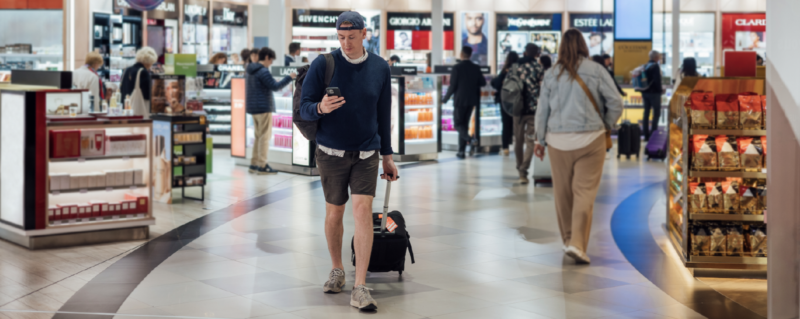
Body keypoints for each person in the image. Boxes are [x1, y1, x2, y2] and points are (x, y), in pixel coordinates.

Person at [299, 11, 398, 312]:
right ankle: (337, 269)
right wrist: (320, 107)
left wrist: (387, 156)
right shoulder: (323, 64)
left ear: (364, 34)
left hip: (367, 152)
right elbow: (304, 109)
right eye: (341, 38)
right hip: (330, 153)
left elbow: (384, 114)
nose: (346, 43)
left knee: (362, 210)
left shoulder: (380, 67)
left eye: (352, 37)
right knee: (334, 213)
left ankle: (360, 286)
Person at [533, 28, 623, 264]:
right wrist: (606, 123)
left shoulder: (551, 74)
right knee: (584, 193)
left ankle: (568, 240)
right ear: (584, 45)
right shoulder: (597, 70)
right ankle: (577, 245)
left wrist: (539, 140)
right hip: (591, 140)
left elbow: (542, 111)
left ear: (561, 47)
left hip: (557, 142)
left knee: (562, 194)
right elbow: (616, 102)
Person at [246, 47, 296, 174]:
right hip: (263, 108)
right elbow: (275, 87)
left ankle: (254, 163)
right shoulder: (263, 71)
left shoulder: (251, 70)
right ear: (267, 57)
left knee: (258, 136)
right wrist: (289, 77)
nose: (272, 63)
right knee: (264, 137)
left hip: (253, 108)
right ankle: (262, 165)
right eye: (272, 60)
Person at [443, 47, 486, 159]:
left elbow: (453, 86)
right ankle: (461, 151)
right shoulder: (476, 68)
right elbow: (482, 82)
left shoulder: (457, 68)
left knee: (458, 124)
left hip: (460, 100)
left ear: (461, 54)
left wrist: (445, 99)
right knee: (464, 125)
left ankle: (470, 139)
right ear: (470, 55)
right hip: (472, 100)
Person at [514, 43, 544, 184]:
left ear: (525, 53)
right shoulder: (538, 68)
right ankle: (523, 171)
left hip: (517, 109)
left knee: (518, 141)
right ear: (537, 54)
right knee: (531, 141)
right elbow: (542, 88)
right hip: (533, 109)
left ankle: (519, 167)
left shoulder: (515, 67)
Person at [490, 51, 519, 156]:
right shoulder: (519, 70)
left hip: (505, 100)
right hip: (518, 100)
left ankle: (505, 148)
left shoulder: (504, 71)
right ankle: (518, 148)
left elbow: (496, 84)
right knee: (517, 125)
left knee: (506, 124)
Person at [120, 47, 157, 116]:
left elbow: (122, 89)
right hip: (138, 111)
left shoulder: (127, 70)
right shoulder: (143, 72)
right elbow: (147, 95)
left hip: (126, 109)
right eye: (152, 62)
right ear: (149, 61)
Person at [641, 50, 663, 141]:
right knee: (656, 113)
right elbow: (657, 80)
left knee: (646, 113)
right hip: (654, 93)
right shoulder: (655, 66)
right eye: (658, 57)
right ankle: (653, 134)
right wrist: (660, 90)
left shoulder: (645, 66)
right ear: (656, 57)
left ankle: (645, 135)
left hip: (645, 92)